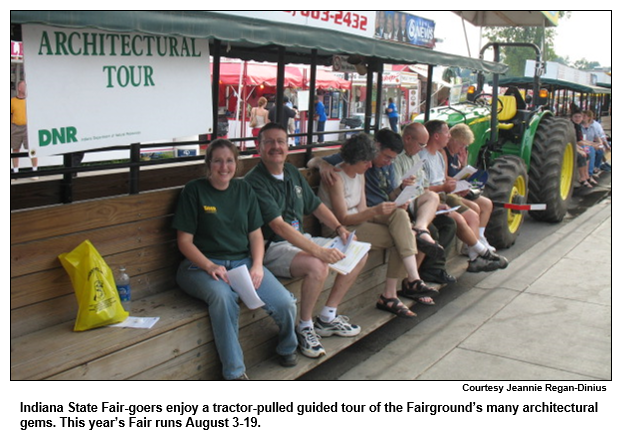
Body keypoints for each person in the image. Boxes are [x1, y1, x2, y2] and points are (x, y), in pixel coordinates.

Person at [173, 139, 298, 380]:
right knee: (223, 298)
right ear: (208, 163)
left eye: (229, 160)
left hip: (243, 263)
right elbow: (184, 242)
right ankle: (235, 373)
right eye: (217, 160)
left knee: (285, 302)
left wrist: (258, 266)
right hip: (199, 266)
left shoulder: (244, 190)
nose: (224, 167)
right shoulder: (195, 190)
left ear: (236, 164)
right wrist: (209, 265)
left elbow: (255, 235)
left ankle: (288, 347)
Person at [244, 123, 368, 359]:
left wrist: (340, 228)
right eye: (268, 142)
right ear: (259, 148)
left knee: (359, 251)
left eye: (280, 141)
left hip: (301, 240)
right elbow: (278, 226)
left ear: (288, 145)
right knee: (317, 265)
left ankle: (328, 317)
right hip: (272, 248)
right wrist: (318, 252)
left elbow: (316, 206)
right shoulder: (255, 180)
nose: (275, 146)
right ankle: (305, 326)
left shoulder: (291, 172)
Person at [317, 133, 439, 318]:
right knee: (402, 236)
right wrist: (376, 211)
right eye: (366, 161)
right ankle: (394, 292)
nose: (370, 165)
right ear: (356, 159)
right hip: (340, 229)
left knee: (399, 216)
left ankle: (412, 279)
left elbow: (362, 208)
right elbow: (342, 218)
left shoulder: (360, 174)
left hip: (358, 221)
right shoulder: (337, 176)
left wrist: (385, 208)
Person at [421, 120, 508, 273]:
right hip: (433, 196)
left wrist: (458, 180)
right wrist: (448, 186)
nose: (449, 136)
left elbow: (443, 178)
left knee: (474, 214)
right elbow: (424, 188)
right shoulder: (426, 156)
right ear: (436, 136)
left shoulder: (439, 156)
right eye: (447, 133)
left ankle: (476, 254)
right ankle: (481, 253)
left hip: (443, 194)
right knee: (458, 219)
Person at [393, 122, 457, 284]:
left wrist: (434, 206)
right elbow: (395, 191)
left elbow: (425, 186)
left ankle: (434, 269)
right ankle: (412, 281)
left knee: (449, 223)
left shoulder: (415, 156)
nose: (422, 148)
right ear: (407, 138)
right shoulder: (396, 158)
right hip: (404, 206)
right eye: (421, 144)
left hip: (420, 204)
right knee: (432, 231)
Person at [445, 123, 496, 252]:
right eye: (461, 144)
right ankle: (472, 244)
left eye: (465, 146)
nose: (462, 148)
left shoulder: (458, 155)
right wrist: (458, 184)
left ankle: (481, 237)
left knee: (487, 204)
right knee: (474, 207)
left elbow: (463, 174)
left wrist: (464, 164)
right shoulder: (444, 153)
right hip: (451, 191)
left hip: (459, 189)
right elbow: (444, 177)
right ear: (452, 139)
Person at [11, 81, 38, 177]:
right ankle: (15, 172)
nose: (25, 88)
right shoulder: (12, 101)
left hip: (28, 127)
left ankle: (35, 171)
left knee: (32, 149)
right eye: (23, 86)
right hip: (15, 127)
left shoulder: (30, 100)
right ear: (19, 88)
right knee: (15, 149)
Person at [571, 110, 593, 188]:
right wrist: (579, 149)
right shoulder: (572, 127)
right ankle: (582, 178)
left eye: (579, 117)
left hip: (576, 146)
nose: (577, 118)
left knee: (587, 155)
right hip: (571, 147)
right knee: (581, 156)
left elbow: (579, 141)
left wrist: (592, 144)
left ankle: (586, 175)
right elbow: (572, 141)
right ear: (572, 118)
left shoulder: (578, 126)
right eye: (575, 117)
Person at [581, 110, 605, 179]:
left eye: (584, 116)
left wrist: (600, 143)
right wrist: (593, 145)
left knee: (600, 150)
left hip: (591, 144)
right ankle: (589, 173)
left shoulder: (592, 127)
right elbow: (582, 140)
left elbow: (597, 137)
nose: (583, 117)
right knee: (591, 150)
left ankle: (596, 167)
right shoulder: (580, 127)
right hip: (584, 145)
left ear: (589, 117)